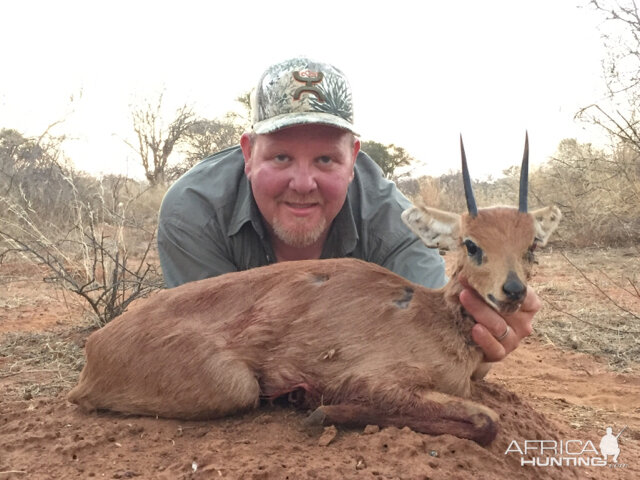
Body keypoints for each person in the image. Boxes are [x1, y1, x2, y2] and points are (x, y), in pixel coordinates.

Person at [157, 57, 540, 362]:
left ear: (354, 158)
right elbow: (206, 344)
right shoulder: (193, 211)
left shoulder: (397, 226)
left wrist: (479, 344)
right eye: (281, 157)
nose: (303, 183)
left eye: (325, 159)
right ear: (247, 153)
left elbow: (434, 345)